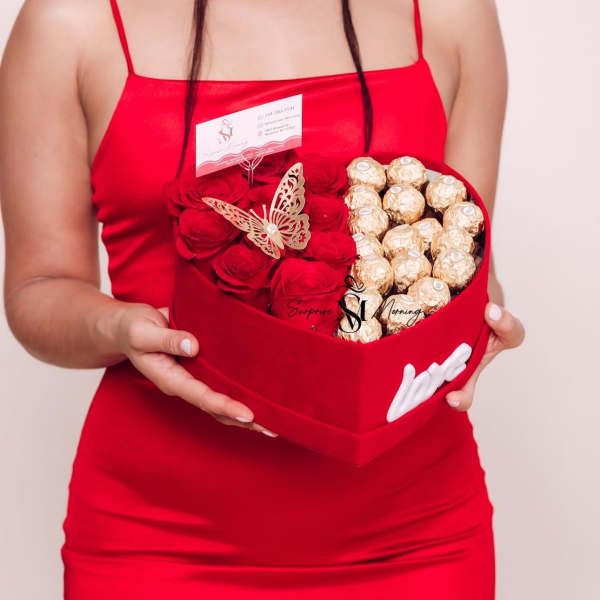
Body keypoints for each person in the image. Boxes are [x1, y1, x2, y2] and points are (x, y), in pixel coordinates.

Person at [0, 0, 525, 597]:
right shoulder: (71, 20)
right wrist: (120, 329)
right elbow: (37, 289)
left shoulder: (450, 12)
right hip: (161, 535)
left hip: (415, 532)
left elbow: (466, 261)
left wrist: (477, 324)